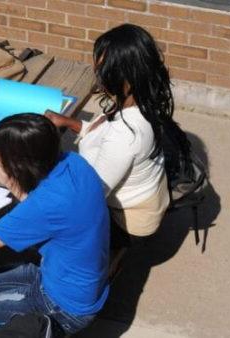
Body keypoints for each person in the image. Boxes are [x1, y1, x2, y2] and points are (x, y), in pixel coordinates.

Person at [0, 113, 109, 336]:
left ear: (18, 163)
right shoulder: (74, 162)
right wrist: (9, 175)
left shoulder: (45, 205)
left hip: (63, 306)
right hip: (74, 280)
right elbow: (33, 203)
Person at [46, 23, 188, 240]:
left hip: (127, 217)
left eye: (103, 71)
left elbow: (91, 196)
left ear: (126, 77)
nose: (98, 78)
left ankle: (112, 255)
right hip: (144, 195)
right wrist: (69, 122)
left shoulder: (126, 133)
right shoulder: (142, 102)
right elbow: (102, 135)